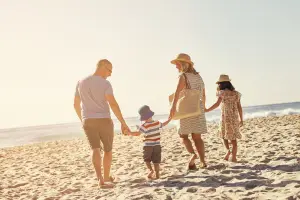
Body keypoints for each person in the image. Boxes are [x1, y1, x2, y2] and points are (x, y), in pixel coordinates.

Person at [73, 59, 129, 188]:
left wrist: (83, 119)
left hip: (88, 120)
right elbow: (113, 104)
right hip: (104, 119)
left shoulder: (80, 82)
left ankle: (100, 179)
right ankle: (106, 176)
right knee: (108, 150)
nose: (110, 74)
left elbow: (75, 104)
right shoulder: (105, 84)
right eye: (109, 70)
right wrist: (122, 122)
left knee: (95, 149)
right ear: (102, 66)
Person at [169, 53, 208, 170]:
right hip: (198, 108)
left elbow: (177, 93)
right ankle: (202, 161)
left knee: (183, 135)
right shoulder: (199, 77)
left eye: (177, 64)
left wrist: (173, 107)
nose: (176, 66)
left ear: (182, 64)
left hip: (187, 109)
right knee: (197, 137)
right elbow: (203, 94)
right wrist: (204, 107)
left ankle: (192, 154)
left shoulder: (183, 76)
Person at [205, 74, 243, 162]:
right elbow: (239, 107)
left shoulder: (221, 93)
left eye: (219, 84)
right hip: (234, 118)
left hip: (225, 117)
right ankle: (233, 157)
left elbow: (217, 104)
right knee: (233, 138)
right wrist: (241, 119)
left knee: (223, 135)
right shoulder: (236, 94)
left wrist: (207, 110)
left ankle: (228, 151)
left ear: (221, 84)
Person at [126, 105, 171, 179]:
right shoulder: (157, 123)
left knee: (147, 160)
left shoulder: (144, 126)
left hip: (148, 146)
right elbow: (164, 124)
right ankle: (157, 175)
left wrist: (129, 133)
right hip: (157, 145)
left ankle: (150, 170)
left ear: (143, 117)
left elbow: (137, 133)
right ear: (150, 114)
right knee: (156, 161)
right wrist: (169, 119)